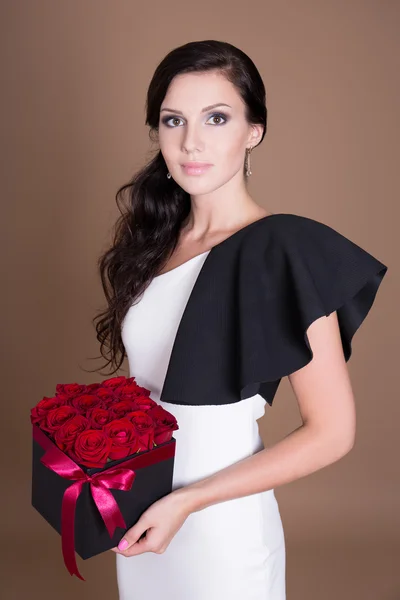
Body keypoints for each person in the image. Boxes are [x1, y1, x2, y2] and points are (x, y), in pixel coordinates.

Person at [92, 40, 388, 600]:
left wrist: (187, 501)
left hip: (217, 530)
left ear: (254, 131)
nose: (191, 142)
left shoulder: (281, 248)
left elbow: (333, 432)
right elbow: (147, 387)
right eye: (173, 120)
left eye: (217, 118)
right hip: (141, 514)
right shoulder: (153, 244)